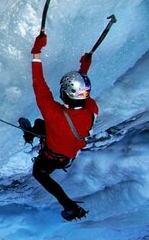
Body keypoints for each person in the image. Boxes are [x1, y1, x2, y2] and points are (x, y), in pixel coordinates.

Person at [25, 32, 99, 221]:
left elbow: (38, 82)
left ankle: (69, 205)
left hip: (51, 154)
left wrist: (36, 51)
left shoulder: (54, 113)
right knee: (42, 126)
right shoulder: (91, 110)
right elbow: (81, 94)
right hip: (64, 156)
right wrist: (84, 69)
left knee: (38, 171)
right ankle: (68, 206)